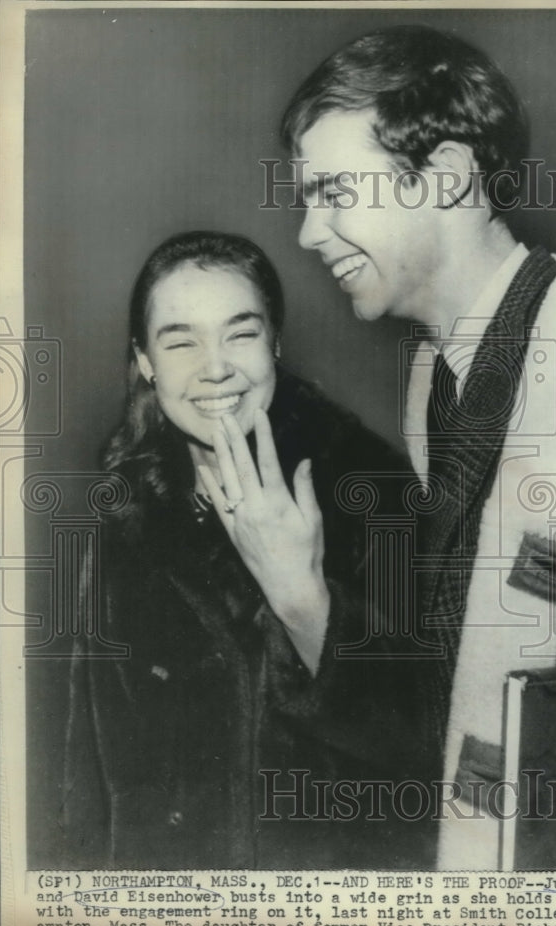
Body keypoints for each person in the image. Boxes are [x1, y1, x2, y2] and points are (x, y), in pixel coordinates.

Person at [281, 25, 556, 870]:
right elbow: (455, 688)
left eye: (334, 190)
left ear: (446, 179)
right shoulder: (434, 385)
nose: (308, 231)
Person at [60, 230, 445, 870]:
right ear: (146, 362)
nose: (215, 367)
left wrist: (303, 598)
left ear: (275, 344)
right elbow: (88, 762)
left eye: (240, 333)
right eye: (180, 341)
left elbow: (432, 752)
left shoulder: (379, 493)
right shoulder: (126, 509)